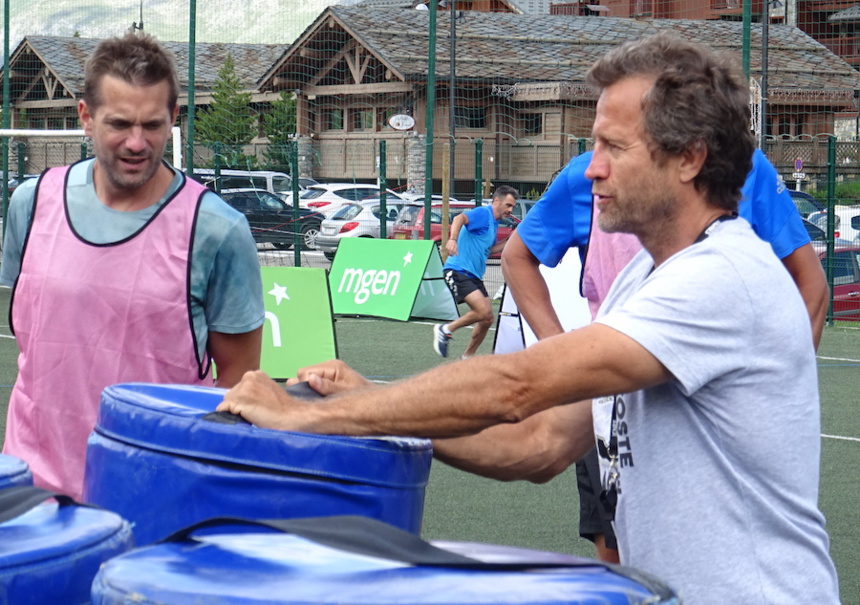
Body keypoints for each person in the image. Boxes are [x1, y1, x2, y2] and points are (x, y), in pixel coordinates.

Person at [218, 33, 840, 604]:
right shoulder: (641, 278)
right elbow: (536, 444)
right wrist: (364, 404)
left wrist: (314, 415)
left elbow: (515, 388)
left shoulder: (721, 278)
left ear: (689, 159)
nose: (591, 167)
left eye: (613, 147)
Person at [501, 147, 829, 563]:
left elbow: (811, 284)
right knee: (622, 560)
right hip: (612, 398)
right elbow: (538, 443)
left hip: (710, 405)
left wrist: (779, 391)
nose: (598, 167)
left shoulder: (742, 171)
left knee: (720, 553)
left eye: (614, 138)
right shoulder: (591, 190)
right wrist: (559, 356)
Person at [1, 32, 265, 501]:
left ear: (174, 119)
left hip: (155, 494)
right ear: (85, 116)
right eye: (119, 123)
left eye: (153, 125)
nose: (137, 143)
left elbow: (236, 387)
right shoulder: (32, 202)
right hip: (32, 492)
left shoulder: (217, 229)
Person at [432, 185, 518, 358]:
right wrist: (452, 240)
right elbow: (459, 218)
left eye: (512, 207)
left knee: (487, 319)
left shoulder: (493, 224)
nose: (510, 210)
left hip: (474, 276)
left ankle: (467, 357)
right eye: (508, 205)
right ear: (496, 201)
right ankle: (445, 329)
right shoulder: (483, 214)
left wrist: (512, 238)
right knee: (483, 312)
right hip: (457, 270)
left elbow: (491, 249)